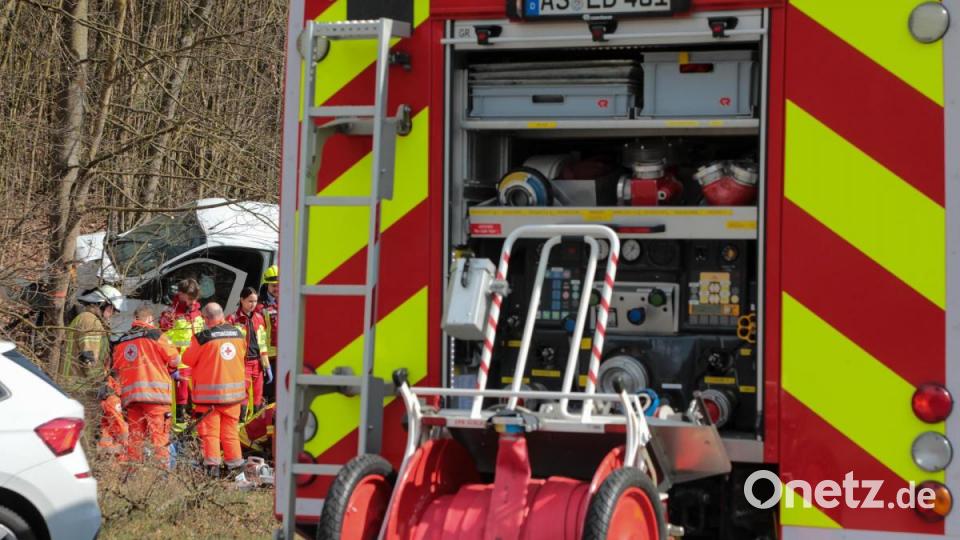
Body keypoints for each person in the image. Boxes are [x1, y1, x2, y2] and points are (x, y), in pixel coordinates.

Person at [182, 303, 247, 475]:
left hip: (209, 398)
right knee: (231, 433)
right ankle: (235, 468)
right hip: (233, 397)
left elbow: (187, 359)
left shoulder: (202, 338)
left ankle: (212, 469)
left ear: (206, 318)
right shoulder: (238, 334)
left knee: (210, 434)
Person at [113, 306, 179, 465]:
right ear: (150, 319)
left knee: (135, 439)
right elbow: (175, 359)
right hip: (156, 397)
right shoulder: (156, 335)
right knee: (159, 439)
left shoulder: (122, 340)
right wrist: (170, 369)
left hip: (131, 399)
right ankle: (161, 477)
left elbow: (115, 368)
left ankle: (134, 474)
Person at [159, 279, 204, 424]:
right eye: (189, 298)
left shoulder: (198, 313)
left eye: (195, 298)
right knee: (180, 403)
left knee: (197, 402)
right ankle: (178, 434)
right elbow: (162, 341)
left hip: (197, 366)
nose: (192, 301)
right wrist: (171, 365)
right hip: (179, 366)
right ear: (180, 294)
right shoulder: (170, 314)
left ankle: (194, 433)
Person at [226, 287, 273, 420]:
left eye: (255, 301)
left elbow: (262, 343)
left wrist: (266, 364)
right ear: (242, 300)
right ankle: (241, 422)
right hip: (242, 363)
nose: (253, 304)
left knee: (258, 394)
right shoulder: (232, 319)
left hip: (257, 363)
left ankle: (254, 422)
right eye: (250, 301)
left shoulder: (259, 318)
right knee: (243, 394)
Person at [62, 285, 125, 379]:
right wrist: (100, 384)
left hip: (74, 382)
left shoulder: (86, 318)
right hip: (78, 386)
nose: (113, 314)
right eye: (112, 309)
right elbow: (90, 360)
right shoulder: (91, 321)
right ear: (102, 304)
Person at [257, 265, 279, 402]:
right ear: (267, 285)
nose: (277, 288)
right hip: (267, 358)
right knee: (267, 394)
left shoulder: (288, 300)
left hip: (284, 356)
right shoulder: (260, 306)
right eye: (273, 285)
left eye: (279, 285)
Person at [97, 376, 128, 457]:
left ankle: (106, 459)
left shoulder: (111, 400)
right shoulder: (112, 399)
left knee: (108, 430)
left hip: (109, 398)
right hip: (112, 397)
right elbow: (118, 424)